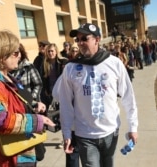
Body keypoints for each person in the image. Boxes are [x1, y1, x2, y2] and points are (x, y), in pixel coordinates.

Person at [53, 23, 138, 167]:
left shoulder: (114, 63)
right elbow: (65, 103)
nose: (80, 43)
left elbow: (128, 97)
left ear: (97, 39)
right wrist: (66, 133)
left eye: (84, 38)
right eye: (77, 40)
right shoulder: (70, 68)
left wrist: (133, 127)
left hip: (111, 131)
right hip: (85, 134)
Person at [0, 30, 55, 167]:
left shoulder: (3, 77)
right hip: (8, 158)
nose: (20, 57)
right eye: (16, 53)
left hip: (15, 152)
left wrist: (33, 104)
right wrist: (37, 121)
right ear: (1, 57)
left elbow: (11, 100)